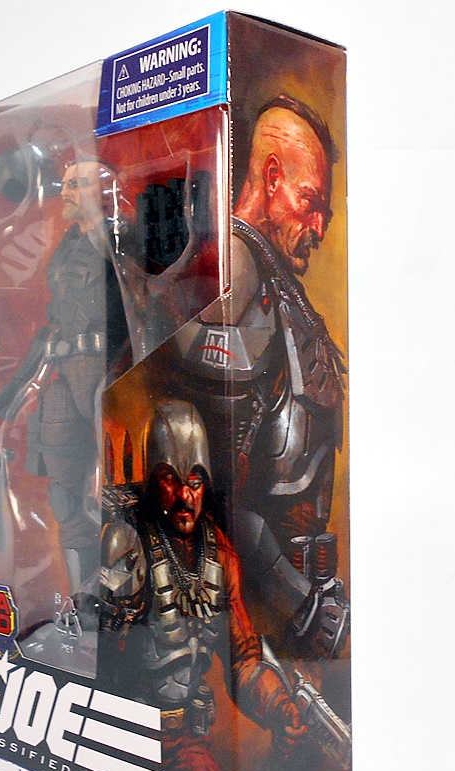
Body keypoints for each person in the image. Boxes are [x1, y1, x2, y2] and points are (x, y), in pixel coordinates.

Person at [95, 400, 307, 771]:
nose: (184, 496)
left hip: (184, 741)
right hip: (124, 733)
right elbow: (103, 655)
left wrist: (280, 707)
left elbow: (243, 657)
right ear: (152, 479)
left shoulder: (221, 557)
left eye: (194, 480)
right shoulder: (129, 542)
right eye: (169, 479)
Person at [173, 95, 346, 558]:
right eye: (309, 201)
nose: (319, 229)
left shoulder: (270, 274)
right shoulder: (241, 264)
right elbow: (220, 476)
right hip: (263, 567)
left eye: (325, 214)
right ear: (272, 178)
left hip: (295, 561)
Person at [0, 159, 130, 593]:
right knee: (65, 495)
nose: (64, 192)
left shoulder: (120, 243)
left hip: (110, 373)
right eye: (65, 183)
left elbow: (144, 304)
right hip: (67, 375)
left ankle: (128, 589)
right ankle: (85, 595)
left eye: (75, 185)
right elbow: (53, 327)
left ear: (101, 192)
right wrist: (14, 388)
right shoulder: (66, 248)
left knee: (120, 491)